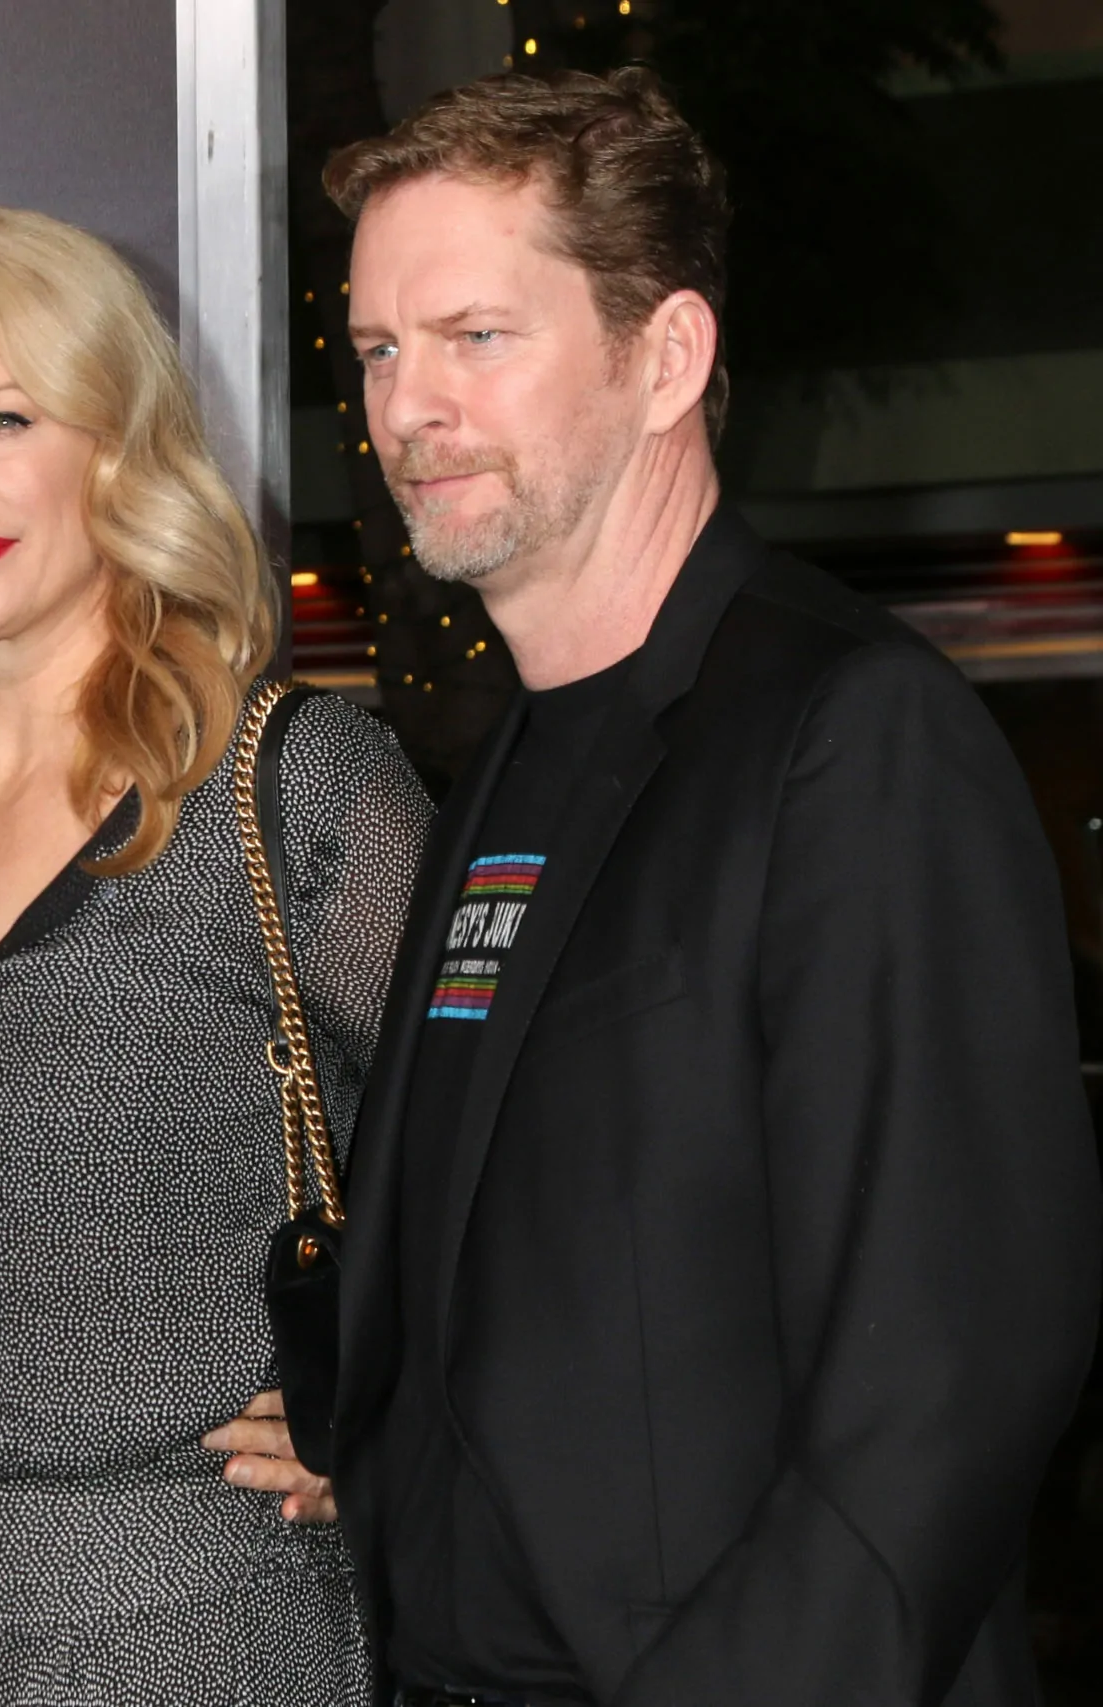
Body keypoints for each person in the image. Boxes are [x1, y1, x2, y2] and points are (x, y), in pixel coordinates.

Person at [323, 69, 1103, 1707]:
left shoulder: (850, 734)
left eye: (476, 336)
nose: (408, 406)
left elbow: (939, 1394)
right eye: (380, 348)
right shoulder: (503, 768)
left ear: (667, 357)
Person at [0, 204, 429, 1707]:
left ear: (120, 441)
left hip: (197, 1624)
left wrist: (401, 1408)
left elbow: (544, 1147)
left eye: (2, 419)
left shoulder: (294, 784)